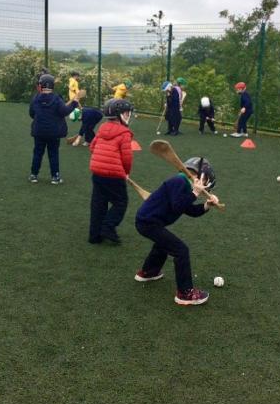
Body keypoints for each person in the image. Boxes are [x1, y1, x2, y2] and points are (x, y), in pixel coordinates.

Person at [134, 157, 219, 306]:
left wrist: (206, 205)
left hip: (150, 222)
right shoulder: (179, 182)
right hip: (148, 223)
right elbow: (178, 207)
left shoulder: (184, 184)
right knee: (181, 250)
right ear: (201, 177)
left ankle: (148, 272)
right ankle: (185, 293)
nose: (205, 187)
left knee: (163, 244)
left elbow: (189, 210)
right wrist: (195, 193)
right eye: (206, 182)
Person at [88, 99, 134, 244]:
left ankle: (94, 236)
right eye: (127, 113)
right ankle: (108, 227)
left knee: (98, 203)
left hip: (97, 173)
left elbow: (92, 147)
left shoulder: (102, 128)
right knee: (121, 202)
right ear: (120, 115)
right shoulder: (125, 133)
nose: (128, 115)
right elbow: (127, 157)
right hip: (114, 175)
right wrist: (126, 172)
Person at [29, 74, 79, 184]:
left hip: (39, 131)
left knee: (37, 153)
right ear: (52, 85)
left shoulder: (36, 98)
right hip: (54, 132)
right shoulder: (56, 98)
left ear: (41, 85)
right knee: (53, 154)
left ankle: (33, 175)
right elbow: (64, 112)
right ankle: (55, 177)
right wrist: (75, 103)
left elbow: (32, 114)